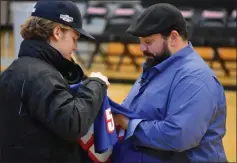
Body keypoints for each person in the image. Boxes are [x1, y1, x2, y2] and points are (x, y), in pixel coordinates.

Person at [112, 3, 227, 163]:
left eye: (148, 41)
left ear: (173, 37)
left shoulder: (195, 78)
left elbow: (178, 136)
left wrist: (129, 125)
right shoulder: (157, 65)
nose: (141, 48)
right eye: (140, 41)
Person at [0, 1, 110, 162]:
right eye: (74, 38)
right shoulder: (42, 76)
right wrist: (96, 84)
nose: (75, 47)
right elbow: (73, 123)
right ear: (58, 32)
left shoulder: (14, 70)